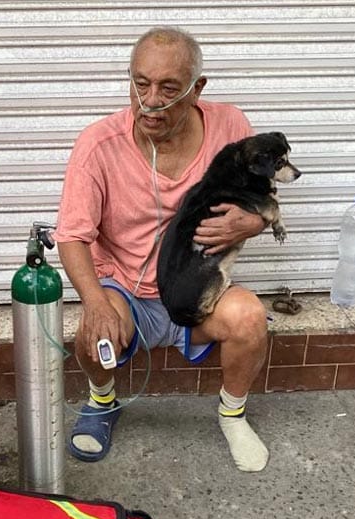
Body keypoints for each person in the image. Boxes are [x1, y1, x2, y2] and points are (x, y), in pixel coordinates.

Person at [55, 27, 271, 472]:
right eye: (140, 83)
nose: (151, 100)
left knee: (249, 318)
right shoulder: (98, 143)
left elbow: (261, 200)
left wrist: (254, 222)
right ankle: (102, 401)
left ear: (197, 90)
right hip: (126, 287)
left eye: (169, 88)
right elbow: (72, 234)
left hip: (198, 286)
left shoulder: (230, 127)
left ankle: (232, 414)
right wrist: (94, 301)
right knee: (92, 333)